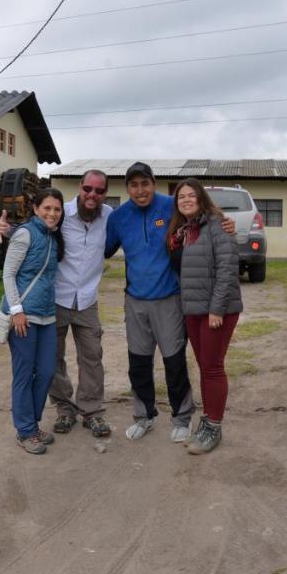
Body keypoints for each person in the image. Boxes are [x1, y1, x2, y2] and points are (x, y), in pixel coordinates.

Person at [0, 170, 114, 438]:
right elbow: (36, 230)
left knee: (92, 357)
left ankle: (92, 412)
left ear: (105, 192)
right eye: (87, 188)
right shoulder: (60, 213)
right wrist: (8, 229)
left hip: (87, 301)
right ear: (80, 188)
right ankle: (64, 409)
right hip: (55, 300)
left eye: (98, 190)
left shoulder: (109, 216)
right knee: (53, 361)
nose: (92, 194)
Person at [104, 162, 196, 442]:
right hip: (135, 302)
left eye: (145, 183)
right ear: (127, 188)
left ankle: (182, 418)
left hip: (169, 298)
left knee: (174, 361)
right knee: (139, 363)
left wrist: (225, 224)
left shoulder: (171, 206)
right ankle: (144, 416)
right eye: (134, 185)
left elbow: (202, 217)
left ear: (154, 184)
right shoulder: (118, 217)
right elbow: (104, 249)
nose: (140, 190)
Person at [167, 178, 242, 454]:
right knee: (204, 366)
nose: (185, 200)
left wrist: (216, 309)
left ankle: (214, 427)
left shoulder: (217, 225)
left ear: (201, 198)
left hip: (215, 311)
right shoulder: (186, 229)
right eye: (181, 197)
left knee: (212, 367)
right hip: (193, 309)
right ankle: (208, 420)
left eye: (191, 195)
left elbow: (227, 268)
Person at [0, 188, 65, 454]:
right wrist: (16, 310)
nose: (52, 213)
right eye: (47, 208)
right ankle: (25, 430)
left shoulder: (51, 237)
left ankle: (33, 425)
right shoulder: (26, 233)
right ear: (36, 208)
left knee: (47, 372)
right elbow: (8, 275)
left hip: (47, 315)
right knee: (24, 374)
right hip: (23, 317)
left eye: (57, 209)